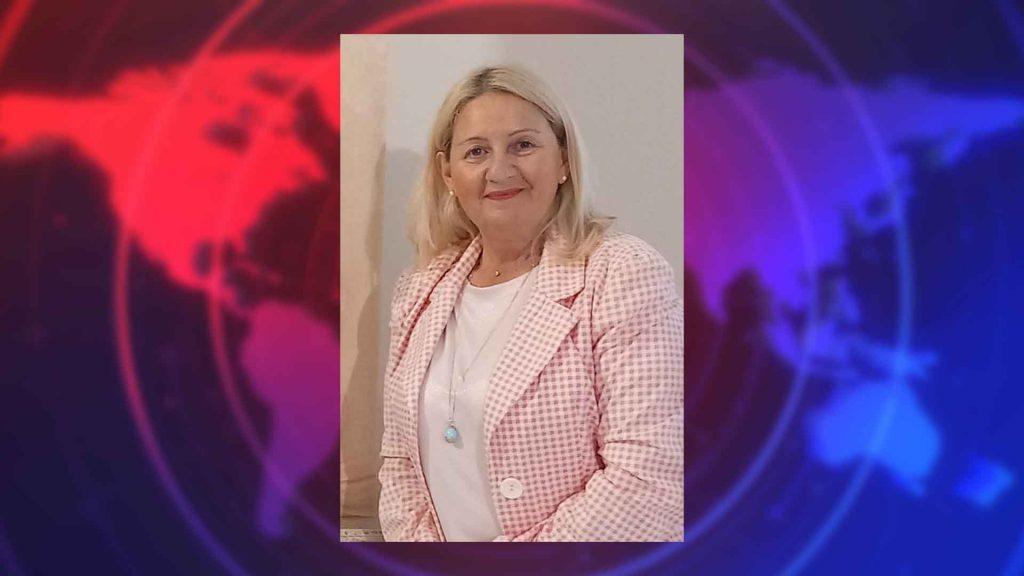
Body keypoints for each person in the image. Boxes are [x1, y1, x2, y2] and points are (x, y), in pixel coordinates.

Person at [378, 65, 684, 542]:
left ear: (563, 159)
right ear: (448, 173)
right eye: (476, 151)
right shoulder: (420, 288)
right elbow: (398, 464)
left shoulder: (623, 272)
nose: (499, 170)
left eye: (523, 145)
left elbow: (650, 481)